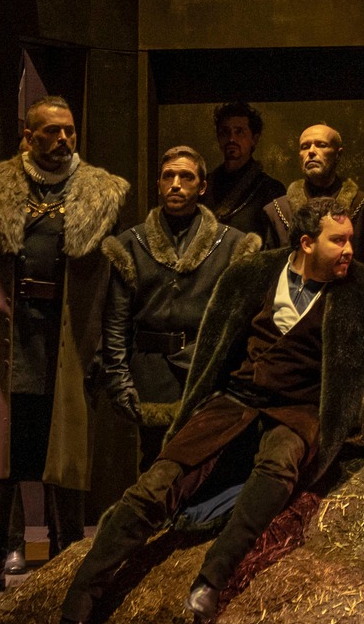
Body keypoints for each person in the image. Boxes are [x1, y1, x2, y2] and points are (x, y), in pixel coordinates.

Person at [56, 197, 364, 624]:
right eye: (338, 241)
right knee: (157, 483)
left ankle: (211, 579)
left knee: (279, 466)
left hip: (302, 410)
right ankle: (78, 602)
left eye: (350, 240)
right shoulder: (252, 273)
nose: (349, 250)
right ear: (306, 243)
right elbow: (214, 350)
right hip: (236, 401)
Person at [0, 96, 128, 595]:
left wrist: (108, 347)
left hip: (67, 340)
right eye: (51, 131)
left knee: (64, 455)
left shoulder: (100, 193)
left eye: (69, 130)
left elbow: (115, 276)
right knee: (2, 453)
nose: (63, 139)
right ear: (28, 138)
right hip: (10, 340)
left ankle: (65, 561)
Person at [101, 146, 263, 466]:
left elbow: (243, 324)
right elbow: (116, 323)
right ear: (159, 185)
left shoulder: (232, 245)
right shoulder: (131, 244)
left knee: (205, 469)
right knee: (155, 467)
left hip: (207, 375)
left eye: (186, 177)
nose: (175, 184)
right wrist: (119, 381)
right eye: (168, 176)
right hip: (151, 377)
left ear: (202, 187)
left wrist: (237, 382)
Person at [262, 122, 364, 249]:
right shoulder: (277, 211)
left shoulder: (362, 206)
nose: (311, 151)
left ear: (338, 155)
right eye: (305, 147)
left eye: (321, 145)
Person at [204, 101, 286, 239]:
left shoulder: (270, 190)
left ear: (254, 138)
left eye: (239, 131)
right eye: (225, 132)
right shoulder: (204, 186)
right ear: (218, 137)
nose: (231, 139)